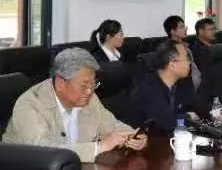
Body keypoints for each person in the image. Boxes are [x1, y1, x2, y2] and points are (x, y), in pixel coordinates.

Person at [2, 48, 147, 162]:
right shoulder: (31, 104)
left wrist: (131, 136)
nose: (90, 91)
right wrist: (99, 147)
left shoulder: (88, 98)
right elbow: (43, 152)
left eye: (93, 84)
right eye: (84, 85)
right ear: (60, 83)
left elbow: (111, 125)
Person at [129, 40, 214, 132]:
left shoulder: (183, 82)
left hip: (175, 134)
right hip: (148, 137)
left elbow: (198, 105)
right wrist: (188, 117)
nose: (190, 63)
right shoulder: (148, 87)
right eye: (187, 59)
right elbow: (167, 123)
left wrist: (214, 113)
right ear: (172, 65)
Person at [164, 15, 202, 88]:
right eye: (181, 27)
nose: (185, 29)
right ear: (173, 31)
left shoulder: (187, 45)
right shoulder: (170, 50)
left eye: (184, 26)